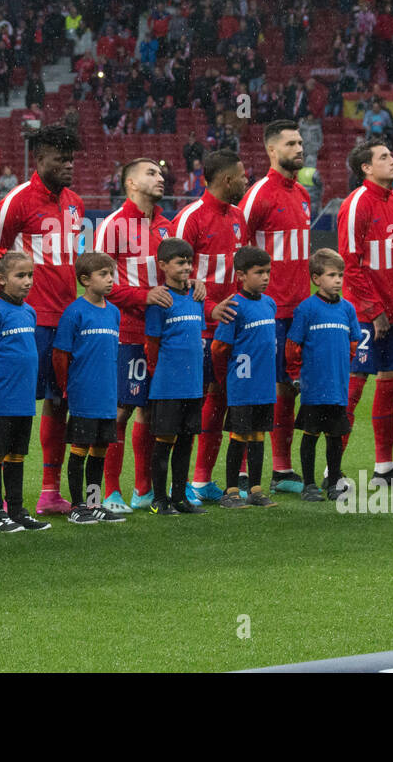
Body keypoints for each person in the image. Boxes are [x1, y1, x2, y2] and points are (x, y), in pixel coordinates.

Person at [0, 126, 85, 517]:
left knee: (58, 403)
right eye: (60, 159)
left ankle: (50, 491)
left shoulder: (76, 203)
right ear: (40, 159)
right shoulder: (16, 201)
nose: (68, 165)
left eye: (71, 159)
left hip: (66, 319)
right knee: (11, 405)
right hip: (27, 321)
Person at [93, 158, 181, 513]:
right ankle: (110, 491)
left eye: (161, 172)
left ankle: (143, 489)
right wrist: (142, 297)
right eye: (151, 173)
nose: (160, 177)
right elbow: (98, 284)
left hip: (161, 334)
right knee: (120, 410)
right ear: (129, 183)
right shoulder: (113, 226)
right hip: (126, 332)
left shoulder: (167, 226)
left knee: (149, 410)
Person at [339, 139, 393, 487]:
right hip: (364, 316)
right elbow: (350, 265)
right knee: (352, 390)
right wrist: (374, 310)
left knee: (390, 385)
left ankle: (384, 468)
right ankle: (332, 470)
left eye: (391, 153)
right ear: (366, 168)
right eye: (384, 157)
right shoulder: (356, 204)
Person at [240, 121, 311, 493]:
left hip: (300, 310)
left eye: (300, 142)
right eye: (290, 143)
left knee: (289, 389)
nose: (299, 148)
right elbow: (240, 250)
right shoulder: (258, 196)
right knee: (258, 389)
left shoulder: (302, 193)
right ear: (271, 150)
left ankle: (282, 470)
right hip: (267, 312)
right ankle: (240, 471)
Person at [173, 149, 247, 504]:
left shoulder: (237, 217)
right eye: (244, 176)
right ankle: (180, 481)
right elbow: (173, 275)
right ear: (227, 179)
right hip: (195, 329)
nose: (247, 181)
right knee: (192, 403)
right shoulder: (190, 217)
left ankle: (202, 480)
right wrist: (208, 308)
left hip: (229, 329)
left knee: (219, 402)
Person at [0, 250, 50, 533]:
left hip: (23, 401)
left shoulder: (28, 311)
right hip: (0, 399)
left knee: (17, 456)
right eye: (21, 276)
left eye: (30, 275)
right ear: (2, 279)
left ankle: (16, 510)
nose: (28, 281)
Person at [285, 249, 363, 503]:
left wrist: (341, 367)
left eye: (340, 275)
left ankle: (333, 483)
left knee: (335, 437)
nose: (338, 280)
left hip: (337, 386)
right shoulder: (307, 309)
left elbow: (354, 341)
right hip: (314, 387)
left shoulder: (348, 309)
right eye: (331, 275)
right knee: (310, 435)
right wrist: (296, 374)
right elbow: (293, 346)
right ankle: (309, 485)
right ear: (316, 279)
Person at [52, 251, 125, 524]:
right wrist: (67, 386)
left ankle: (94, 503)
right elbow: (60, 354)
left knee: (99, 451)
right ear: (85, 280)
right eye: (103, 275)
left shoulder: (115, 312)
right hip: (84, 395)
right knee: (79, 451)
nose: (110, 280)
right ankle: (77, 505)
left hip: (107, 396)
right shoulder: (74, 313)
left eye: (111, 274)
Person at [143, 237, 207, 516]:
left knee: (186, 440)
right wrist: (160, 373)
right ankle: (159, 499)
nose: (186, 268)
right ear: (162, 265)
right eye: (180, 262)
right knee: (164, 441)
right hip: (168, 385)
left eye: (189, 262)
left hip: (192, 385)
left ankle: (179, 496)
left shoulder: (195, 297)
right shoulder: (160, 301)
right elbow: (152, 344)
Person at [211, 246, 278, 508]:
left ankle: (256, 490)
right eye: (259, 272)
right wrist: (224, 378)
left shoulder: (269, 303)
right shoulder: (234, 306)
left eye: (267, 272)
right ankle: (230, 491)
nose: (265, 277)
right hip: (242, 385)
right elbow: (219, 348)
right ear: (241, 275)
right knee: (239, 437)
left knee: (259, 437)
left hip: (264, 385)